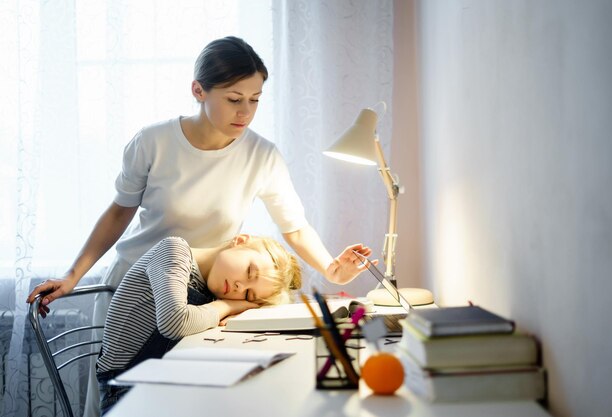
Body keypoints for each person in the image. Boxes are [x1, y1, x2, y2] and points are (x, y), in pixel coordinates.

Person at [27, 36, 375, 417]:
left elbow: (294, 226)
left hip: (203, 295)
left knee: (193, 403)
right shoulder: (153, 142)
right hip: (136, 292)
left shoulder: (262, 155)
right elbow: (117, 213)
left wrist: (330, 268)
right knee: (121, 406)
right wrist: (73, 275)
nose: (245, 112)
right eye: (234, 98)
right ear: (198, 90)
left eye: (255, 99)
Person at [96, 234, 301, 414]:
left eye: (248, 294)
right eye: (250, 272)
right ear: (239, 241)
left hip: (162, 386)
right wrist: (227, 305)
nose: (240, 287)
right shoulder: (174, 250)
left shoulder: (211, 290)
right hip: (125, 393)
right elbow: (174, 321)